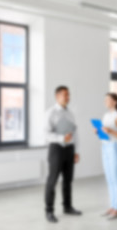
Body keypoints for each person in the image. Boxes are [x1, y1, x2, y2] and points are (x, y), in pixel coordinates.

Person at [44, 86, 82, 223]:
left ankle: (67, 206)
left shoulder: (70, 113)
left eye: (69, 95)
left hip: (69, 149)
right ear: (57, 96)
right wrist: (61, 138)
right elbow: (46, 135)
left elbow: (75, 133)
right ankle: (49, 210)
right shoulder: (51, 113)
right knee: (52, 180)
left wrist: (76, 151)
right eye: (65, 95)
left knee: (68, 180)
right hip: (56, 149)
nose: (68, 97)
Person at [95, 93, 117, 220]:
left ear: (114, 101)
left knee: (115, 179)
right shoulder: (106, 115)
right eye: (105, 100)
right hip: (104, 147)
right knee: (109, 178)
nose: (106, 102)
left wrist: (111, 131)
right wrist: (99, 131)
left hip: (113, 148)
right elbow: (105, 132)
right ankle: (112, 206)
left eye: (108, 100)